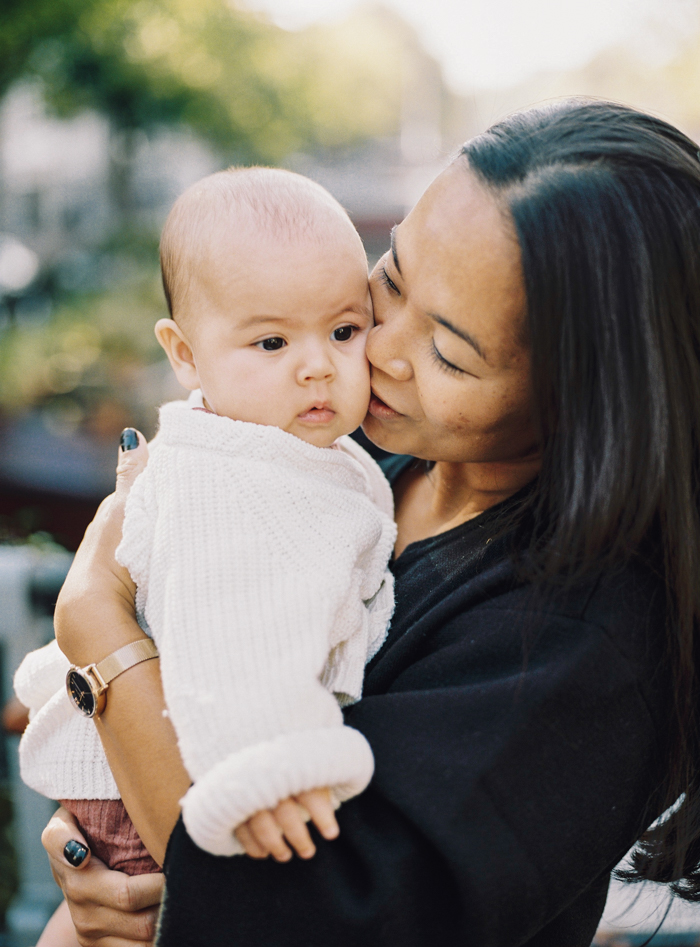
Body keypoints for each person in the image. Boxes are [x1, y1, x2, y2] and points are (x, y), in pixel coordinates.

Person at [39, 98, 700, 946]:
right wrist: (90, 853)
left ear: (588, 402)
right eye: (390, 280)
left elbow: (310, 916)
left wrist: (95, 622)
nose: (376, 352)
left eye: (449, 353)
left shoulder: (584, 642)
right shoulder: (359, 449)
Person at [17, 167, 395, 944]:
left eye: (345, 331)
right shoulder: (226, 479)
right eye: (270, 341)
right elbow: (232, 641)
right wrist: (275, 762)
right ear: (185, 355)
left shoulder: (290, 449)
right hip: (159, 782)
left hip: (161, 756)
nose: (317, 364)